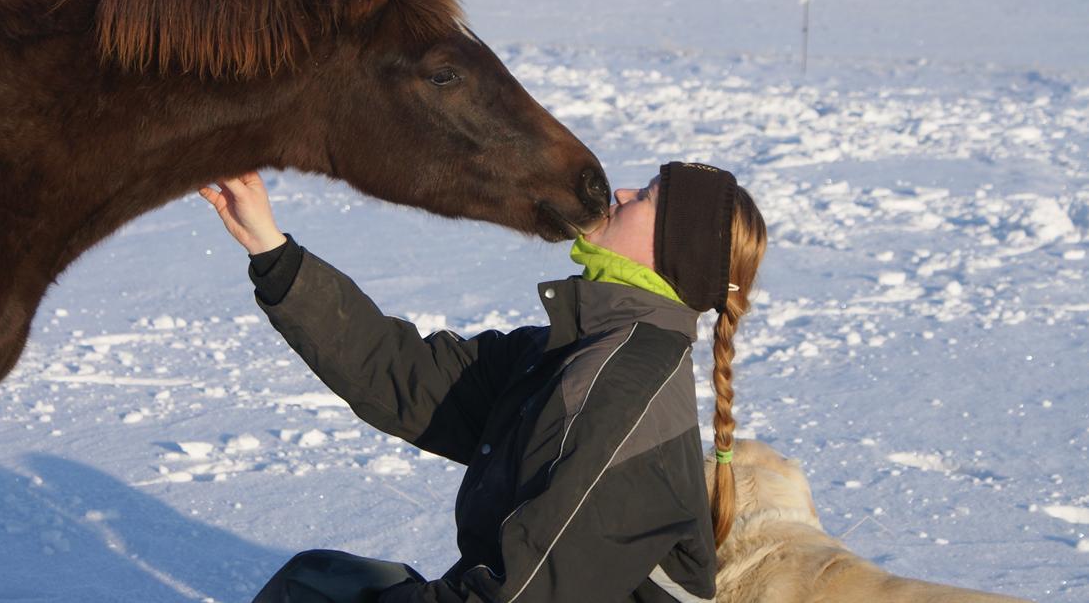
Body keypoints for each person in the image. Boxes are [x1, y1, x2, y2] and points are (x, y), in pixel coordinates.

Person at [199, 162, 767, 603]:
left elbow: (520, 595)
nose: (620, 194)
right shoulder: (574, 350)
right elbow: (408, 377)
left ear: (673, 253)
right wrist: (270, 248)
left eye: (645, 197)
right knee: (316, 582)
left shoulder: (623, 392)